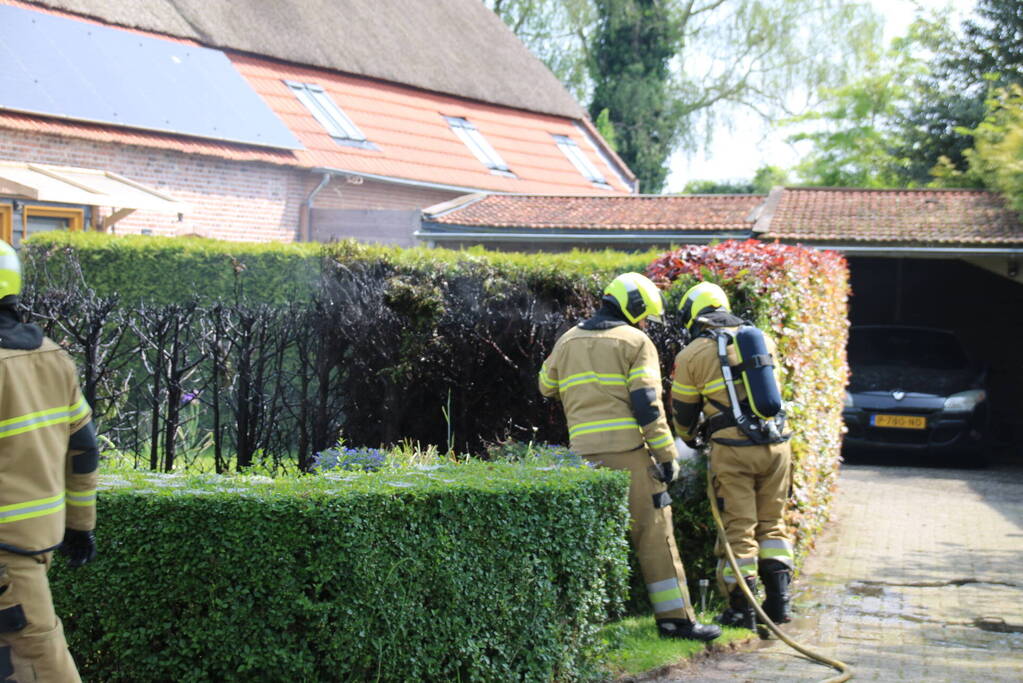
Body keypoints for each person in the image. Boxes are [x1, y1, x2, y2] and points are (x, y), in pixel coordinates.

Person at [539, 273, 720, 642]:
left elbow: (546, 385)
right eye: (642, 315)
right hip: (630, 458)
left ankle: (580, 628)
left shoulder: (567, 340)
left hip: (582, 459)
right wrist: (667, 456)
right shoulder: (637, 342)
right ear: (634, 307)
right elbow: (647, 406)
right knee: (655, 535)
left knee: (590, 541)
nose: (642, 323)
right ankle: (676, 621)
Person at [670, 282, 794, 630]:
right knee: (773, 524)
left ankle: (742, 611)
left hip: (734, 452)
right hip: (778, 446)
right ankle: (780, 605)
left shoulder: (692, 353)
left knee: (739, 529)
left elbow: (682, 413)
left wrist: (687, 439)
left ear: (694, 315)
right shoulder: (763, 339)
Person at [0, 241, 98, 682]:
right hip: (32, 547)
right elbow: (84, 451)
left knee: (39, 662)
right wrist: (81, 526)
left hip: (6, 558)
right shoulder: (53, 357)